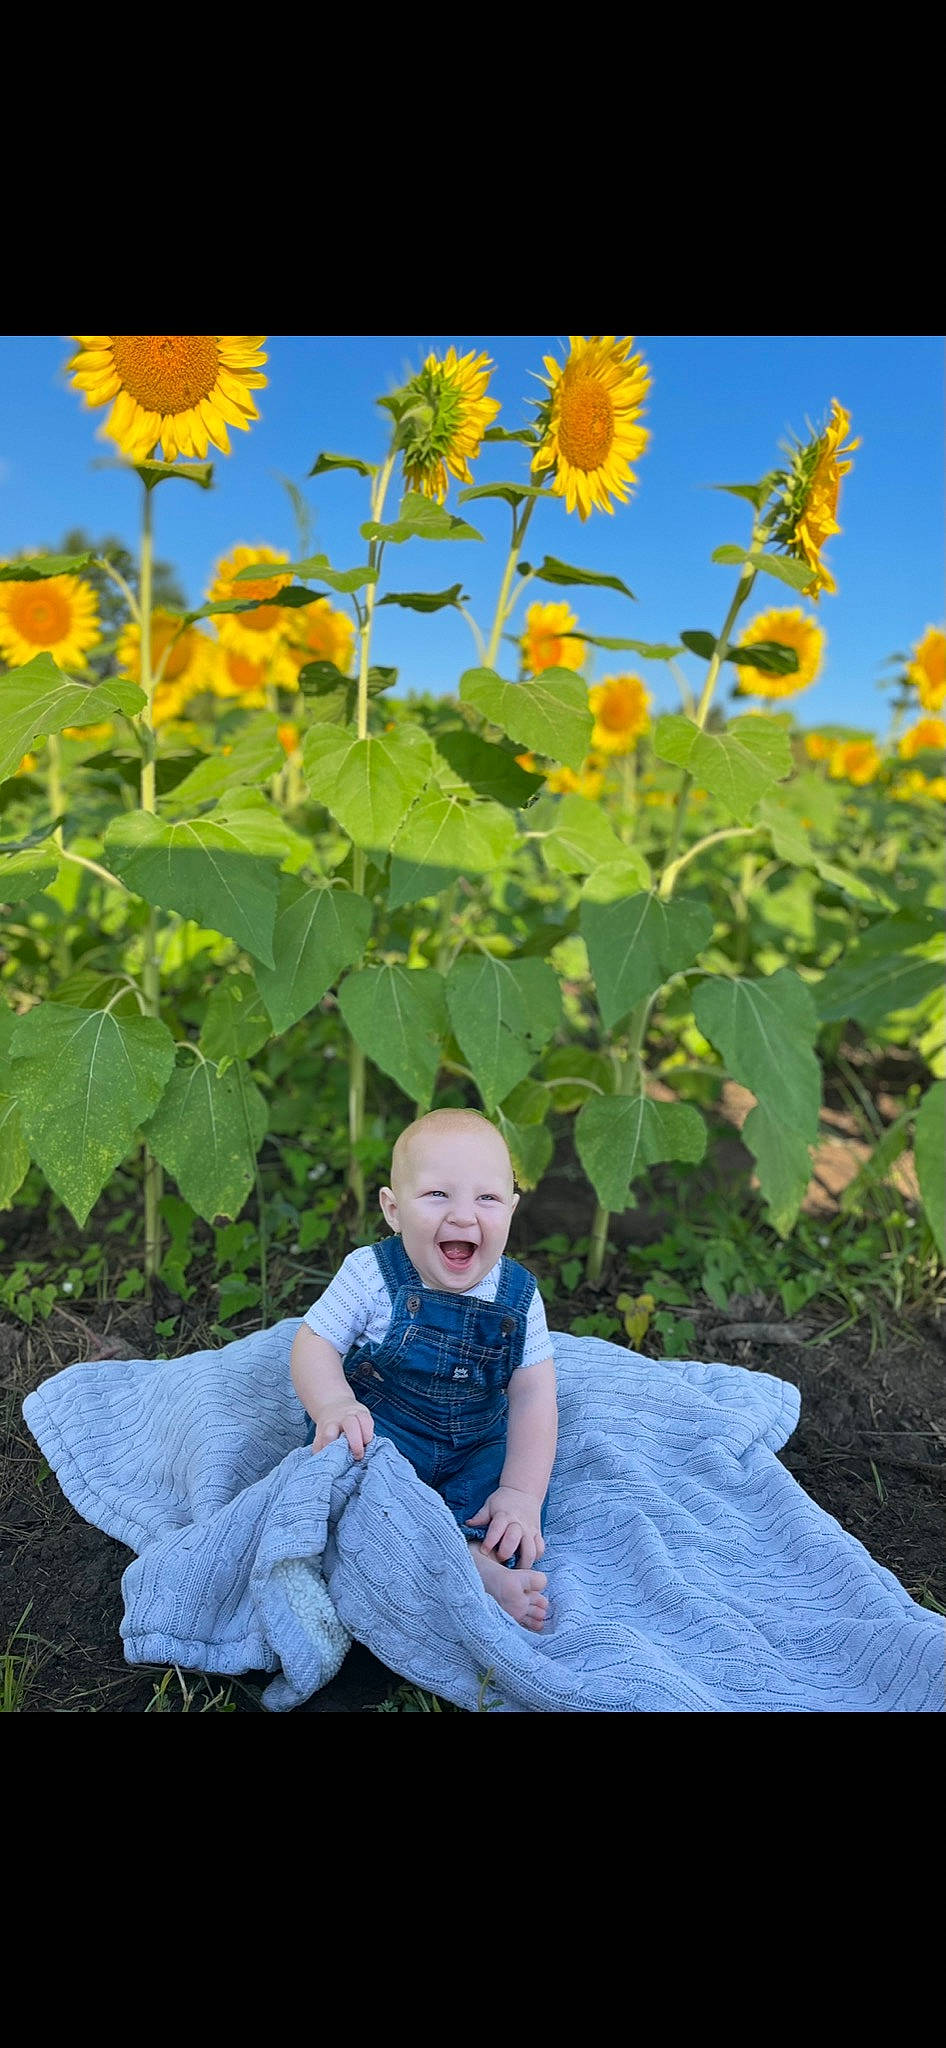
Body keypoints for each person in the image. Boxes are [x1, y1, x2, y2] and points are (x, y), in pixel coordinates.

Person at [290, 1108, 558, 1633]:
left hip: (473, 1438)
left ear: (511, 1209)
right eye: (438, 1195)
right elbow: (313, 1343)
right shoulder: (370, 1273)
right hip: (383, 1428)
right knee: (346, 1466)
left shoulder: (519, 1296)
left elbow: (533, 1396)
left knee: (504, 1483)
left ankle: (477, 1557)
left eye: (487, 1198)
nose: (463, 1216)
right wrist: (333, 1404)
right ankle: (402, 1554)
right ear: (393, 1209)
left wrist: (522, 1495)